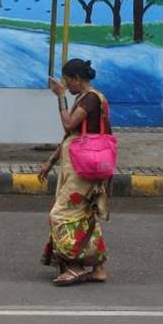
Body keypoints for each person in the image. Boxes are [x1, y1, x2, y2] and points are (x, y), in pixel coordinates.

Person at [38, 58, 112, 286]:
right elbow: (72, 136)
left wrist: (60, 97)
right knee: (84, 215)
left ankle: (74, 266)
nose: (67, 86)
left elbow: (69, 125)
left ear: (78, 79)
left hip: (85, 169)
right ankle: (97, 268)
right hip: (84, 165)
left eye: (68, 81)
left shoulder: (90, 98)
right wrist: (50, 162)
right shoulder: (85, 98)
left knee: (60, 215)